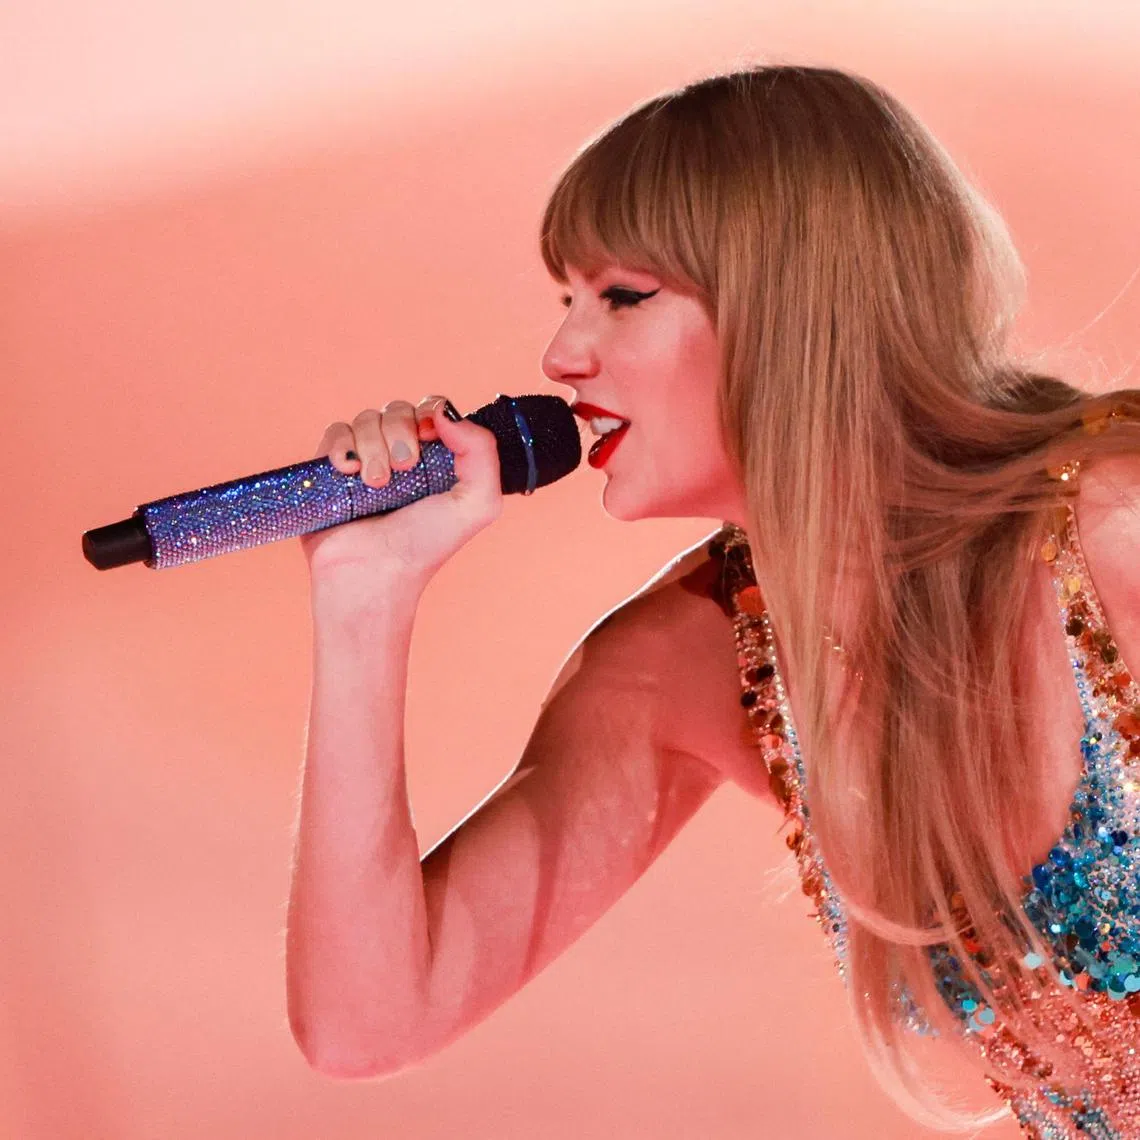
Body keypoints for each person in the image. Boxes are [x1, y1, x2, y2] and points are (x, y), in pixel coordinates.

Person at [285, 64, 1140, 1135]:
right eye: (568, 300)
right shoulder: (683, 664)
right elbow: (368, 1022)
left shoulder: (1107, 527)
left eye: (623, 298)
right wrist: (362, 604)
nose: (561, 355)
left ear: (795, 300)